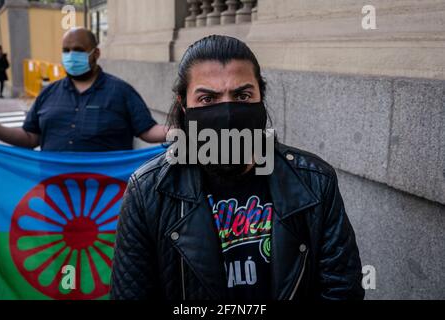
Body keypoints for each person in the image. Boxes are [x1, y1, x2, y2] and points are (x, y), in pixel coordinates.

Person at [110, 35, 364, 300]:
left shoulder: (315, 182)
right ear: (183, 104)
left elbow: (342, 290)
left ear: (260, 96)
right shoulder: (148, 191)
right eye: (208, 99)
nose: (228, 113)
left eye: (242, 95)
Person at [0, 28, 167, 151]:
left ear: (96, 53)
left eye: (78, 50)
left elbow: (148, 130)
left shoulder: (121, 92)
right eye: (66, 51)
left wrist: (182, 130)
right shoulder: (48, 94)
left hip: (107, 195)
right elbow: (30, 137)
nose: (71, 56)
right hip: (56, 193)